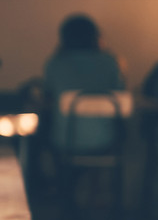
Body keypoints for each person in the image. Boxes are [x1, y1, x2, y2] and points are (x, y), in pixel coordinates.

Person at [43, 13, 125, 152]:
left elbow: (48, 94)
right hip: (105, 139)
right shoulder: (110, 62)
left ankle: (58, 173)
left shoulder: (56, 63)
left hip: (65, 139)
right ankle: (88, 173)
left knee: (41, 130)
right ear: (95, 36)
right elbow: (120, 94)